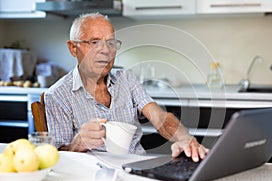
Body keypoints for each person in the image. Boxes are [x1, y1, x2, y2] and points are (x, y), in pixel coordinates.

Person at [44, 12, 208, 162]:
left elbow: (160, 118)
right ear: (73, 48)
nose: (106, 51)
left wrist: (185, 138)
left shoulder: (127, 79)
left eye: (111, 43)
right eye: (94, 42)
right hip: (91, 179)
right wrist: (77, 144)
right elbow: (57, 157)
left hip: (136, 170)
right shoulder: (57, 95)